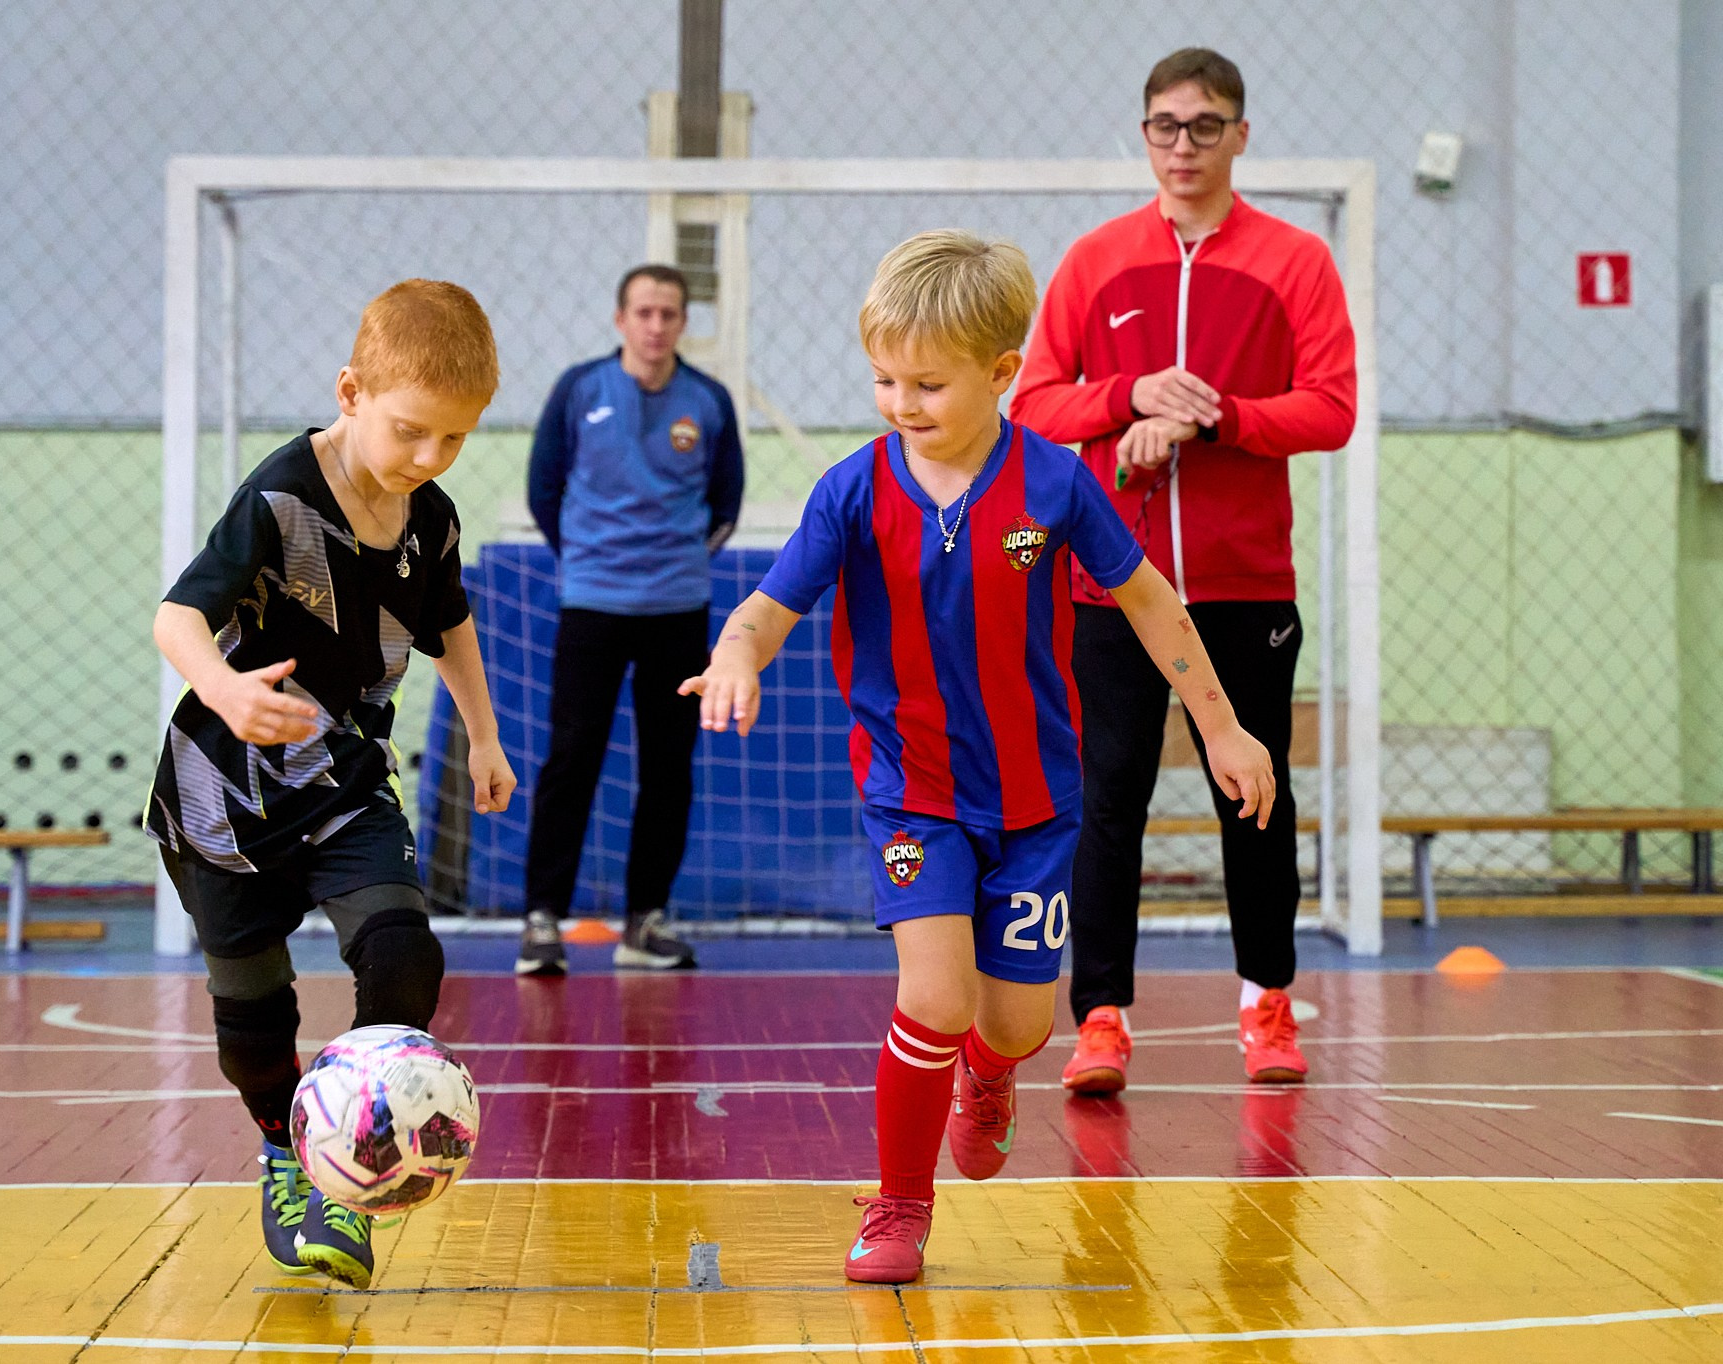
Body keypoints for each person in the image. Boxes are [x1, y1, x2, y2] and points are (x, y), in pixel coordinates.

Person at [680, 230, 1274, 1283]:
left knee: (1010, 1023)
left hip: (1038, 805)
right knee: (935, 1000)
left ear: (1003, 374)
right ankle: (897, 1206)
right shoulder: (851, 489)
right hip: (912, 797)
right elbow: (768, 609)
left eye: (926, 383)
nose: (899, 402)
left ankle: (989, 1079)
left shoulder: (1053, 482)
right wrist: (734, 658)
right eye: (882, 380)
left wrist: (1220, 725)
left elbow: (1146, 601)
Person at [143, 279, 516, 1289]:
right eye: (411, 432)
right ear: (350, 392)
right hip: (224, 796)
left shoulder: (426, 516)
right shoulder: (277, 499)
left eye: (455, 441)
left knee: (401, 953)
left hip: (346, 777)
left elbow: (451, 628)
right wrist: (221, 687)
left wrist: (483, 737)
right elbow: (174, 618)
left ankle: (345, 1148)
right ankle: (283, 1143)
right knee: (254, 1021)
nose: (430, 460)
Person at [1009, 47, 1356, 1094]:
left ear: (1239, 136)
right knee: (1105, 797)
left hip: (1244, 584)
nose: (1181, 145)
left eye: (1203, 126)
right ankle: (1101, 1018)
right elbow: (1032, 404)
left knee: (1252, 791)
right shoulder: (1094, 260)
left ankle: (1265, 1006)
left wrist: (1217, 418)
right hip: (1109, 584)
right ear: (1143, 135)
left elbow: (1329, 408)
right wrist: (1128, 399)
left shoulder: (1294, 261)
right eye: (1164, 125)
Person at [515, 264, 744, 976]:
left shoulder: (707, 400)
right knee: (571, 759)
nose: (656, 325)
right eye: (644, 312)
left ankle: (644, 922)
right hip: (591, 603)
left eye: (669, 314)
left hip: (678, 606)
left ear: (682, 323)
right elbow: (543, 488)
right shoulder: (580, 390)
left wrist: (671, 561)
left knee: (669, 766)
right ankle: (541, 921)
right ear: (621, 319)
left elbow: (726, 499)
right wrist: (592, 559)